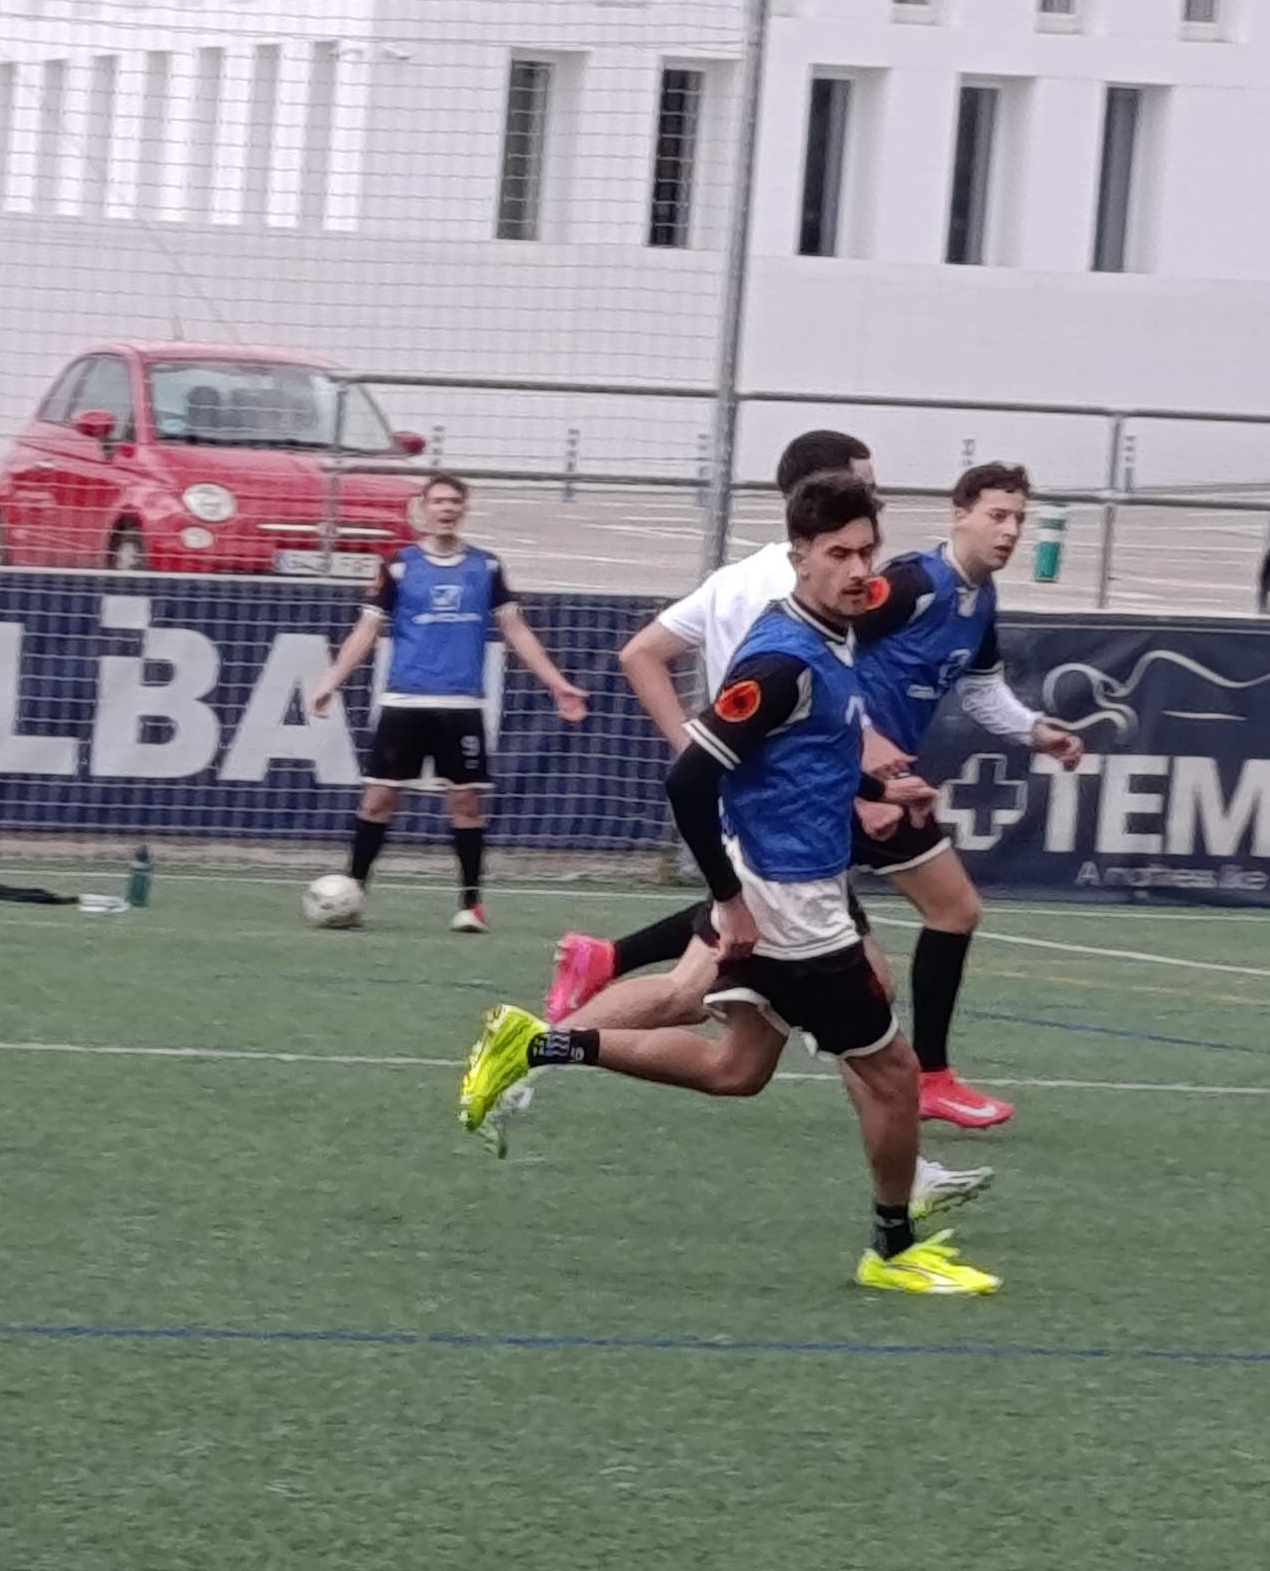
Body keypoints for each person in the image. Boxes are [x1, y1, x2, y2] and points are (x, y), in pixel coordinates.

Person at [461, 470, 1002, 1296]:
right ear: (799, 555)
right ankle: (892, 1250)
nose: (859, 569)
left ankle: (538, 1044)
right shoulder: (783, 660)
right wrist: (728, 900)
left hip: (786, 884)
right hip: (793, 904)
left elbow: (800, 757)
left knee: (737, 1070)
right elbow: (691, 779)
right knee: (895, 1074)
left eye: (867, 552)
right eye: (838, 554)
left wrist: (877, 789)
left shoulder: (830, 633)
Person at [542, 428, 873, 1022]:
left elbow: (640, 653)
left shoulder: (737, 578)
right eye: (864, 486)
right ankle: (539, 1042)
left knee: (743, 1038)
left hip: (765, 804)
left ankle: (604, 965)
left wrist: (694, 746)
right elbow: (805, 701)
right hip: (778, 821)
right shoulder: (815, 588)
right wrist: (702, 756)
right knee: (697, 990)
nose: (874, 502)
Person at [838, 461, 1089, 1129]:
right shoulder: (914, 583)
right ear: (958, 515)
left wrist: (1036, 732)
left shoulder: (981, 600)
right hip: (836, 773)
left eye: (1019, 520)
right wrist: (862, 752)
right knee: (754, 948)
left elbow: (979, 690)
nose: (1010, 531)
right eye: (997, 516)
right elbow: (824, 646)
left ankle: (931, 1078)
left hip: (886, 785)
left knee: (952, 911)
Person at [305, 471, 588, 931]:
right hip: (404, 703)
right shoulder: (398, 566)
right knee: (377, 800)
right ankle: (352, 895)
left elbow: (516, 630)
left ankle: (471, 905)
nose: (446, 509)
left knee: (466, 804)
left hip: (462, 707)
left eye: (454, 501)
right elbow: (367, 629)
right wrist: (331, 680)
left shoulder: (486, 567)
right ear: (423, 509)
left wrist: (557, 684)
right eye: (437, 501)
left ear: (464, 509)